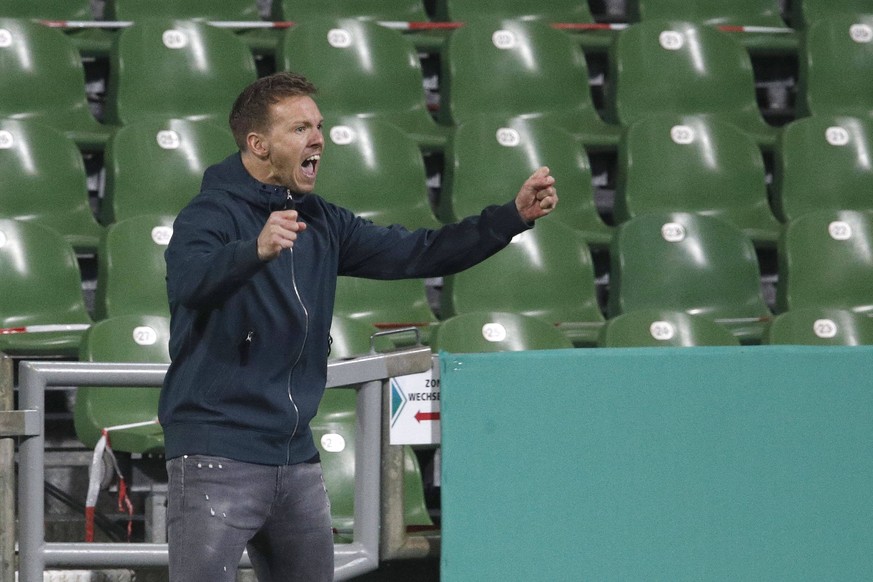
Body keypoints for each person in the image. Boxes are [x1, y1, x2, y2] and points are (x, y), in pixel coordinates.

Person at [159, 71, 558, 581]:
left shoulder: (322, 221)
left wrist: (509, 218)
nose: (318, 139)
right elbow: (189, 283)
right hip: (217, 451)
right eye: (301, 128)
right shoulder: (210, 213)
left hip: (296, 454)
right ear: (259, 145)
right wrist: (253, 251)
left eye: (319, 126)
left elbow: (419, 251)